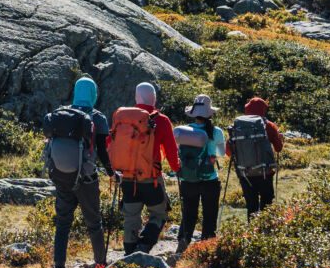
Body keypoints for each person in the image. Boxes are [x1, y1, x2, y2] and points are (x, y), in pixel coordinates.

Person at [42, 76, 111, 268]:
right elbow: (103, 151)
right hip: (87, 179)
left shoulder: (61, 114)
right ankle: (100, 267)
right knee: (94, 223)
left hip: (63, 178)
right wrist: (111, 172)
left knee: (63, 224)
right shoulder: (97, 118)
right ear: (93, 93)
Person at [107, 82, 181, 253]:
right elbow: (171, 151)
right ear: (154, 98)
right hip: (151, 179)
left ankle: (129, 253)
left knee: (131, 217)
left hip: (126, 177)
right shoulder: (161, 120)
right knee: (159, 214)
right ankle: (144, 246)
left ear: (136, 97)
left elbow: (110, 144)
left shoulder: (122, 119)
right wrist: (177, 168)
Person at [173, 95, 223, 253]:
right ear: (210, 113)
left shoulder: (184, 131)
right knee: (209, 214)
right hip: (210, 180)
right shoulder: (216, 131)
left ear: (193, 113)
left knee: (189, 213)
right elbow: (221, 153)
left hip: (188, 179)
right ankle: (206, 246)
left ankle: (184, 240)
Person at [225, 96, 285, 216]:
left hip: (245, 173)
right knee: (267, 205)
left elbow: (228, 151)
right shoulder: (269, 126)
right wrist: (280, 139)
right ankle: (265, 232)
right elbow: (278, 148)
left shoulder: (238, 126)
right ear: (263, 110)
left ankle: (251, 232)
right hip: (265, 173)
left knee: (251, 206)